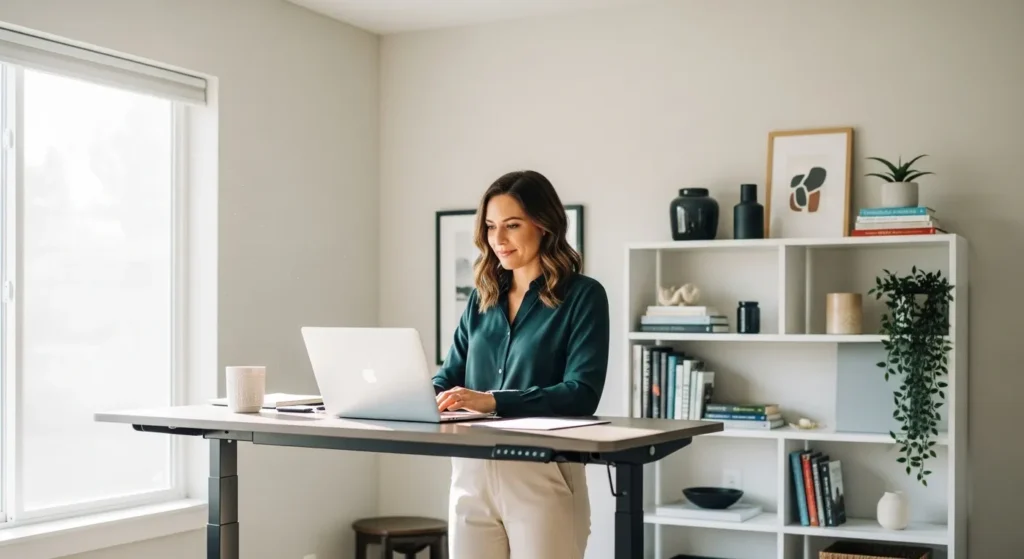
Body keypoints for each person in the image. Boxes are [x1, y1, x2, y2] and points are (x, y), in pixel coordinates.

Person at [432, 169, 610, 559]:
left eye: (512, 225)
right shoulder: (482, 300)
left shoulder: (583, 297)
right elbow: (449, 376)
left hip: (541, 470)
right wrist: (407, 396)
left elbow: (581, 393)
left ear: (544, 225)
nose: (498, 239)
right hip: (471, 470)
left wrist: (493, 401)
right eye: (492, 227)